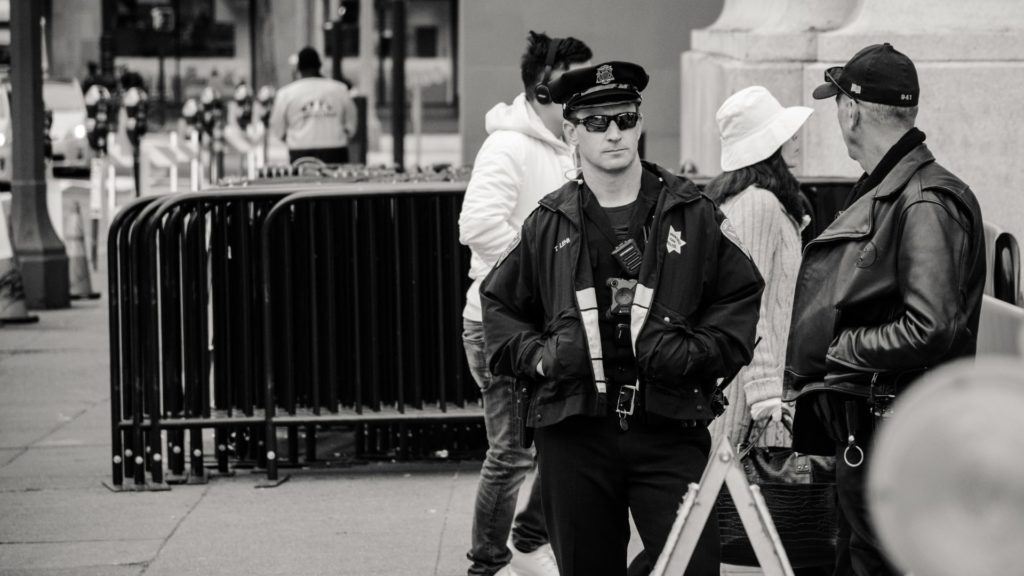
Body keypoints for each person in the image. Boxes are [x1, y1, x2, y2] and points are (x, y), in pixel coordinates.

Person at [480, 61, 764, 576]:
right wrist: (541, 360)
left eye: (626, 118)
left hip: (671, 427)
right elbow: (498, 305)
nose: (615, 132)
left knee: (693, 568)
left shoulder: (690, 211)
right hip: (574, 433)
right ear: (570, 131)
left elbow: (741, 295)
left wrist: (693, 355)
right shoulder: (547, 222)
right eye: (597, 122)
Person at [784, 43, 986, 576]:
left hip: (893, 430)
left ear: (850, 110)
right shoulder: (893, 187)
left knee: (878, 561)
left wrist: (841, 348)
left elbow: (932, 324)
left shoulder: (921, 200)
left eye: (837, 104)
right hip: (878, 425)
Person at [459, 31, 592, 576]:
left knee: (571, 441)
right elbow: (477, 225)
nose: (589, 94)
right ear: (544, 90)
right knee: (512, 455)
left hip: (550, 326)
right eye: (576, 84)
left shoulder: (571, 145)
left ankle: (529, 538)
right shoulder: (508, 146)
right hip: (501, 327)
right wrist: (544, 264)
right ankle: (487, 566)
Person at [704, 86, 812, 449]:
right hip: (750, 403)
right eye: (784, 133)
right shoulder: (757, 204)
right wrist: (767, 397)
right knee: (737, 500)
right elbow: (748, 303)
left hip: (753, 395)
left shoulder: (749, 199)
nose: (796, 139)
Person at [269, 46, 358, 164]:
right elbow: (351, 121)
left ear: (298, 68)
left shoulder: (286, 94)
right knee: (337, 183)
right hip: (335, 150)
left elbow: (277, 126)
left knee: (303, 182)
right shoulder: (340, 89)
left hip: (300, 151)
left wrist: (292, 139)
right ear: (319, 65)